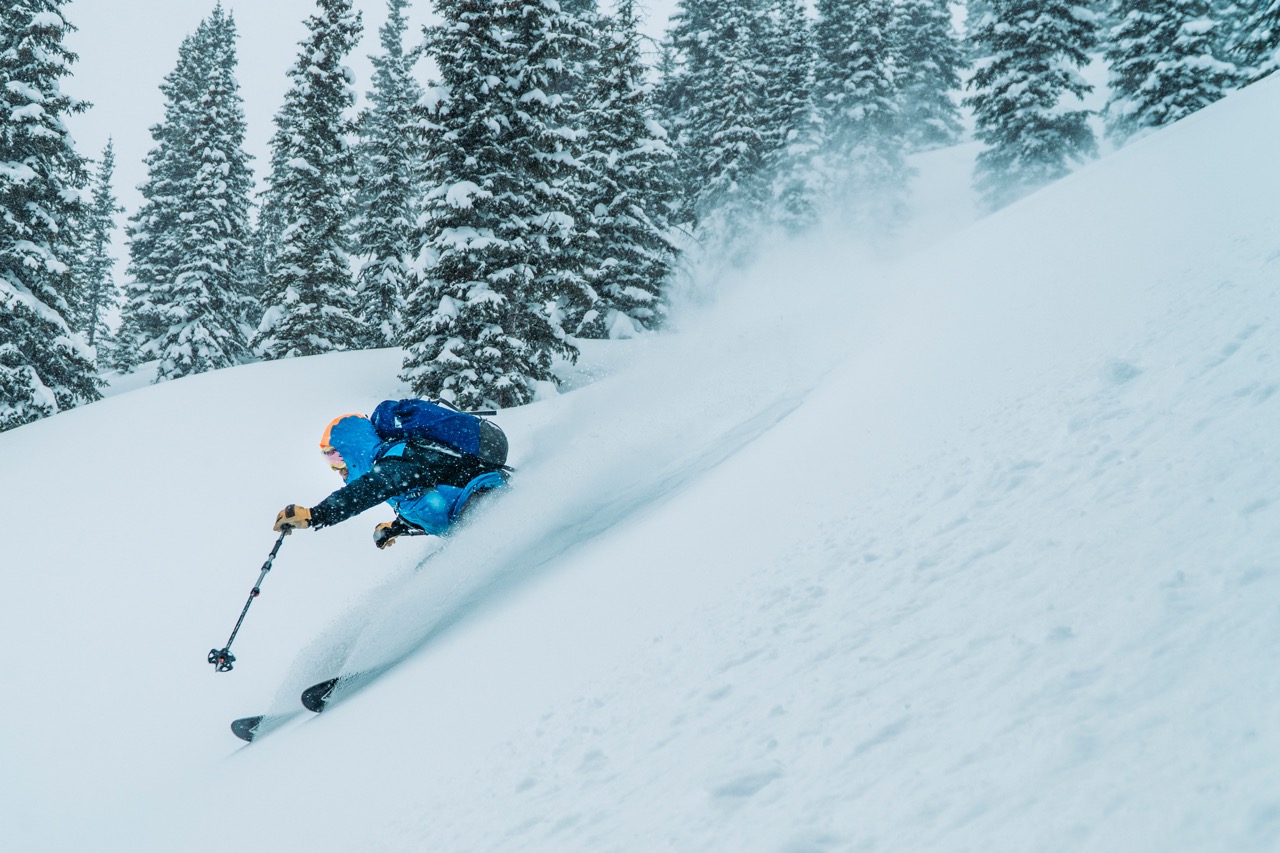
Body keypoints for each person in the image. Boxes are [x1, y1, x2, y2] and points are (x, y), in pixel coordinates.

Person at [273, 411, 508, 548]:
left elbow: (366, 490)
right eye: (328, 461)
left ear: (352, 446)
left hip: (488, 498)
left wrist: (317, 515)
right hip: (473, 518)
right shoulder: (393, 473)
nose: (336, 467)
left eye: (334, 455)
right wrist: (396, 528)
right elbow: (437, 505)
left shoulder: (395, 459)